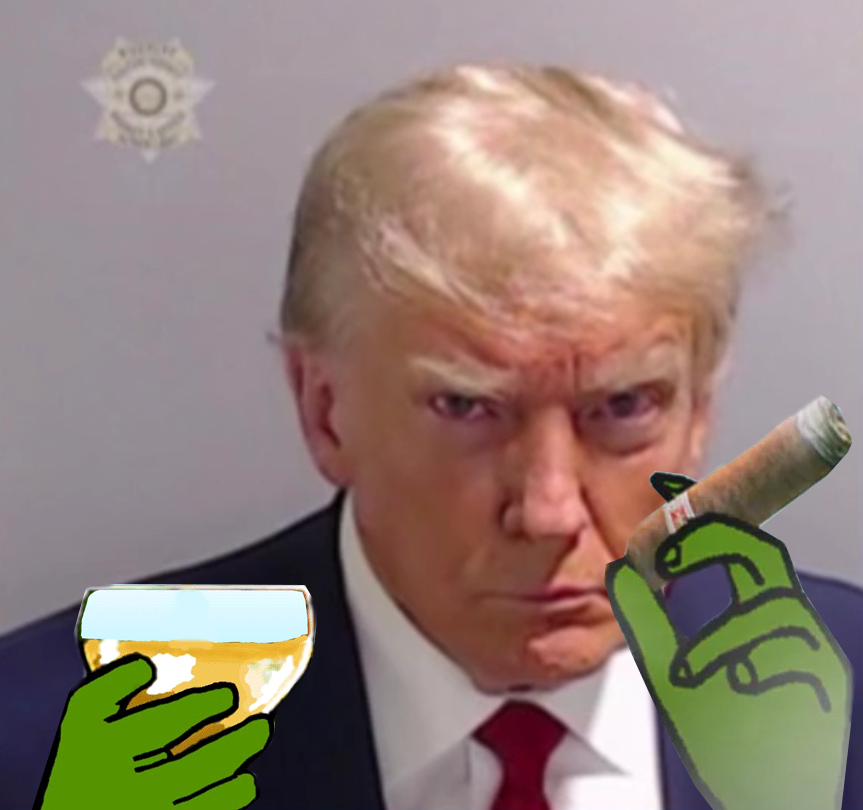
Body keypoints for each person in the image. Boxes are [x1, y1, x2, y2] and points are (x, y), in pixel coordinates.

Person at [1, 64, 860, 810]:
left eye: (624, 405)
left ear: (699, 409)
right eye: (467, 408)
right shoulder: (44, 749)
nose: (548, 512)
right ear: (323, 410)